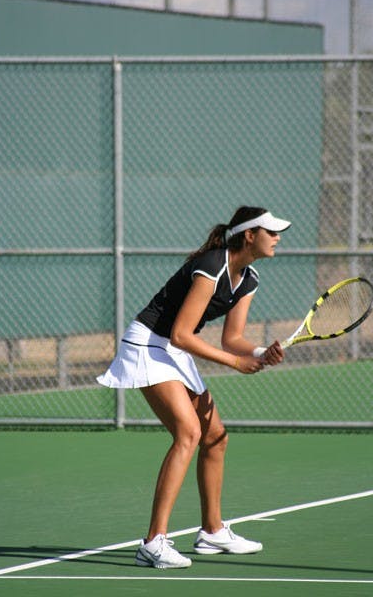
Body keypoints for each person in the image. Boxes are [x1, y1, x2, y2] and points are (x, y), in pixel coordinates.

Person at [97, 205, 291, 569]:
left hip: (172, 347)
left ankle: (212, 532)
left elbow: (233, 338)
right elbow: (182, 334)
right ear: (249, 235)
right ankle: (153, 542)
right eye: (271, 231)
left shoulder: (248, 279)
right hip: (148, 344)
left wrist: (262, 352)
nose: (278, 237)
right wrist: (236, 364)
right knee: (188, 432)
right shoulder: (213, 264)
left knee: (215, 436)